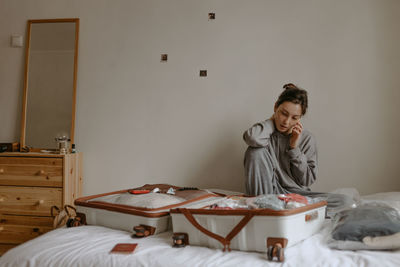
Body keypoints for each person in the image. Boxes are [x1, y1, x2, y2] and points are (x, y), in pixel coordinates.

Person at [243, 83, 352, 213]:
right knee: (255, 151)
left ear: (300, 118)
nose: (286, 122)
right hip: (268, 193)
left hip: (296, 197)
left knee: (346, 202)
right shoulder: (265, 133)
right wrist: (271, 122)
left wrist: (294, 147)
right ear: (275, 107)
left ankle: (288, 208)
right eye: (283, 113)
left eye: (294, 117)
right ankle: (268, 207)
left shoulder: (307, 139)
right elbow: (252, 138)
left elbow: (306, 180)